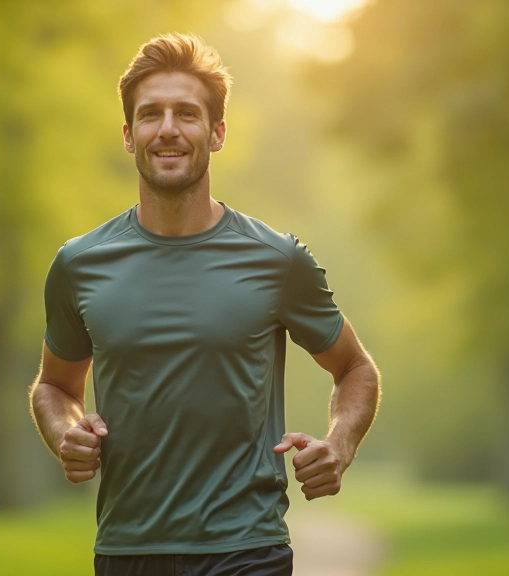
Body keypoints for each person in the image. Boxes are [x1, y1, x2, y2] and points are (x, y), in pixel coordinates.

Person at [29, 32, 380, 576]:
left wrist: (339, 444)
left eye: (186, 114)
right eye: (151, 115)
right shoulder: (79, 264)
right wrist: (64, 434)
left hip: (248, 549)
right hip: (126, 552)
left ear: (216, 133)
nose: (168, 128)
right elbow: (54, 386)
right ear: (129, 135)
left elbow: (355, 368)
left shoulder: (277, 259)